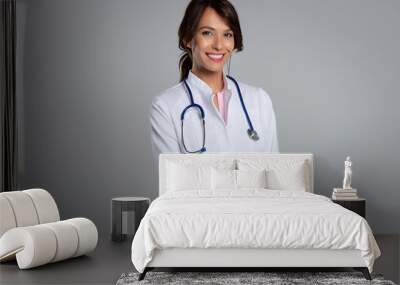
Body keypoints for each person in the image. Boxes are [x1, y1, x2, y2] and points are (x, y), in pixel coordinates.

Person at [150, 0, 279, 158]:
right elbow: (171, 181)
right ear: (187, 39)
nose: (219, 45)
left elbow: (274, 175)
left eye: (227, 34)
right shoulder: (165, 106)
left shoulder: (259, 100)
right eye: (207, 33)